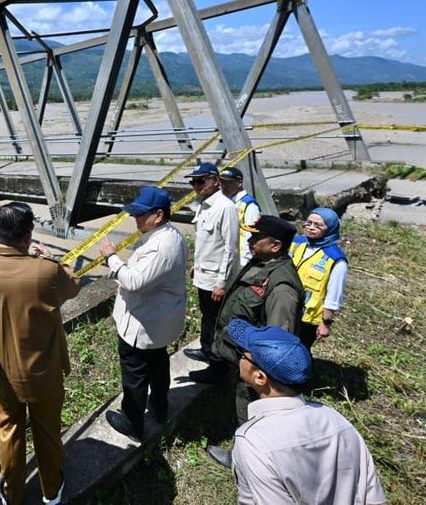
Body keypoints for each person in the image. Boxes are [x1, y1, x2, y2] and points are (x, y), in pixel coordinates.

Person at [0, 202, 81, 505]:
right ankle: (51, 492)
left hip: (1, 371)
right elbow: (73, 287)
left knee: (9, 429)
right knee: (48, 431)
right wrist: (49, 258)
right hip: (43, 371)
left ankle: (11, 494)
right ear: (29, 235)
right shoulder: (47, 271)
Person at [227, 320, 388, 505]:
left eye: (242, 355)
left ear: (260, 377)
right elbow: (375, 499)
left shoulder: (253, 442)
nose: (238, 358)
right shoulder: (336, 420)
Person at [189, 215, 304, 468]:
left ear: (275, 245)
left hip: (256, 367)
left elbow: (277, 342)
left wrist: (256, 372)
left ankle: (246, 459)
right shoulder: (261, 262)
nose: (250, 240)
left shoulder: (282, 287)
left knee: (251, 410)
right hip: (242, 356)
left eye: (255, 237)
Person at [97, 187, 188, 440]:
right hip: (157, 321)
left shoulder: (161, 246)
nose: (135, 219)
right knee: (158, 366)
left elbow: (135, 281)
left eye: (140, 215)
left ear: (158, 215)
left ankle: (132, 422)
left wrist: (111, 258)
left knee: (135, 375)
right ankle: (160, 410)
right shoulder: (169, 235)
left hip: (142, 324)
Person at [182, 162, 240, 365]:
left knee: (216, 321)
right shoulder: (203, 205)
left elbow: (230, 249)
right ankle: (207, 350)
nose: (197, 185)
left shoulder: (225, 208)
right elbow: (207, 242)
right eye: (194, 182)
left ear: (215, 181)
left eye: (201, 180)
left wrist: (222, 283)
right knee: (208, 317)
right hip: (204, 275)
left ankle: (216, 362)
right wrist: (196, 266)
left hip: (215, 279)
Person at [289, 208, 348, 349]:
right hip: (285, 306)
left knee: (298, 351)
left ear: (330, 228)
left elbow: (334, 295)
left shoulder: (336, 259)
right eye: (308, 223)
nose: (311, 228)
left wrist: (325, 323)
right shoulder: (296, 243)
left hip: (307, 318)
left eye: (318, 225)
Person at [218, 167, 260, 266]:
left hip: (241, 260)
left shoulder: (249, 205)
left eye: (228, 183)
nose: (224, 186)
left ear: (239, 183)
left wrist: (244, 261)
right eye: (222, 183)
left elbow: (250, 234)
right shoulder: (226, 202)